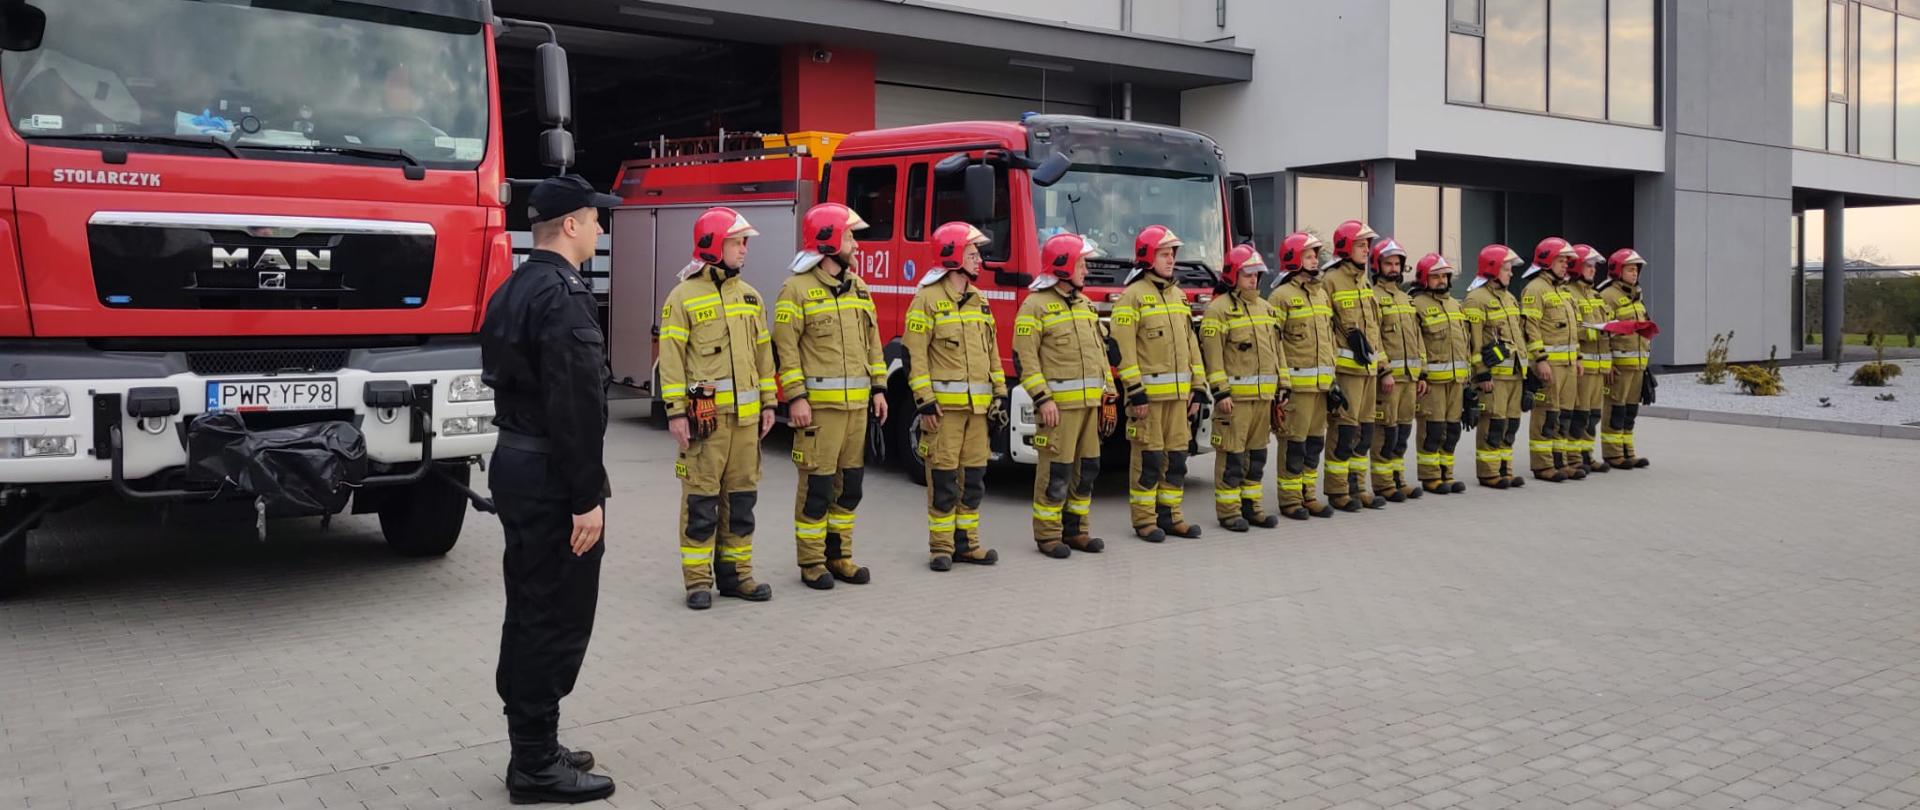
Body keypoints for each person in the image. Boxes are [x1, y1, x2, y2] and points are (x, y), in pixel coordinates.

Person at [478, 174, 620, 804]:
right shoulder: (562, 296)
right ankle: (534, 765)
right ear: (569, 225)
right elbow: (575, 405)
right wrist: (586, 497)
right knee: (555, 614)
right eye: (595, 220)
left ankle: (535, 744)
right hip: (549, 476)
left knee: (531, 604)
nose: (600, 229)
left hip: (518, 462)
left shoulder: (514, 287)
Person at [660, 206, 779, 609]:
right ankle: (697, 582)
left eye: (745, 242)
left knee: (741, 501)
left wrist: (769, 403)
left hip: (746, 422)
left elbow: (765, 355)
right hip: (703, 417)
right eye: (737, 242)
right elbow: (672, 358)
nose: (745, 249)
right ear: (713, 244)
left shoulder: (750, 296)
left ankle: (737, 576)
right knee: (701, 500)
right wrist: (677, 412)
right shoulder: (682, 297)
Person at [774, 203, 888, 590]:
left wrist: (879, 389)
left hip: (857, 409)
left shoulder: (859, 288)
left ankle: (841, 557)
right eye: (849, 236)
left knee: (850, 486)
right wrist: (796, 398)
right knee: (817, 489)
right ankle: (811, 563)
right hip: (820, 412)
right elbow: (785, 349)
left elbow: (872, 342)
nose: (855, 244)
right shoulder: (796, 289)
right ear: (827, 242)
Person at [906, 222, 1008, 570]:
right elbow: (914, 355)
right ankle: (940, 547)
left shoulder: (980, 301)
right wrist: (924, 400)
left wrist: (999, 393)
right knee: (945, 480)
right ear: (952, 256)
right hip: (944, 412)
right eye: (972, 253)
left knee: (974, 479)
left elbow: (992, 351)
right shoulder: (927, 299)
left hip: (978, 412)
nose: (979, 259)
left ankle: (968, 544)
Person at [1014, 232, 1116, 557]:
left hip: (1089, 406)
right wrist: (1042, 399)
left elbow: (1100, 353)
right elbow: (1024, 359)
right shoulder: (1035, 306)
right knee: (1056, 472)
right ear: (1063, 266)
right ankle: (1047, 536)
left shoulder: (1085, 304)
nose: (1086, 269)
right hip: (1058, 409)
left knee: (1088, 468)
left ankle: (1077, 531)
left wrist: (1109, 394)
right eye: (1081, 263)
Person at [1110, 225, 1209, 542]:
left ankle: (1171, 517)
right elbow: (1123, 351)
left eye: (1172, 254)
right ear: (1147, 257)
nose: (1171, 260)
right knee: (1148, 461)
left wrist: (1198, 386)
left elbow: (1191, 344)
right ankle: (1144, 521)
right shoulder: (1131, 298)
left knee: (1177, 460)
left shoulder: (1179, 296)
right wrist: (1135, 392)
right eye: (1164, 254)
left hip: (1179, 400)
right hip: (1147, 402)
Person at [1200, 243, 1288, 531]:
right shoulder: (1218, 310)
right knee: (1232, 457)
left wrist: (1283, 385)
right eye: (1247, 274)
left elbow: (1278, 351)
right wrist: (1221, 392)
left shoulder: (1266, 308)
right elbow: (1212, 359)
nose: (1253, 280)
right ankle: (1229, 512)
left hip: (1263, 400)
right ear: (1233, 275)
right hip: (1234, 402)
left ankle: (1253, 508)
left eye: (1256, 274)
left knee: (1257, 457)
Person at [1267, 232, 1339, 520]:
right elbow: (1275, 344)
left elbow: (1329, 339)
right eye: (1308, 255)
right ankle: (1290, 499)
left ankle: (1309, 494)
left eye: (1315, 255)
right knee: (1293, 445)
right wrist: (1282, 385)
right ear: (1294, 259)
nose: (1314, 260)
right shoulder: (1281, 297)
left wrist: (1332, 378)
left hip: (1321, 388)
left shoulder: (1321, 294)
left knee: (1313, 444)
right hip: (1297, 388)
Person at [1321, 220, 1391, 511]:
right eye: (1361, 244)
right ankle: (1338, 491)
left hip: (1368, 372)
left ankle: (1358, 486)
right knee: (1344, 432)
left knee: (1364, 432)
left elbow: (1373, 328)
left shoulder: (1365, 281)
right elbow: (1325, 330)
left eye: (1367, 245)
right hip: (1347, 373)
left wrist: (1383, 366)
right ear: (1345, 247)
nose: (1366, 250)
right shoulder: (1331, 281)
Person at [1515, 237, 1585, 482]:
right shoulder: (1535, 289)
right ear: (1547, 260)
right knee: (1546, 415)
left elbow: (1572, 329)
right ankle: (1543, 465)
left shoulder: (1563, 291)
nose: (1566, 265)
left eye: (1567, 261)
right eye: (1561, 260)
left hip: (1567, 366)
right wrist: (1540, 360)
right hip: (1550, 366)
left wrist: (1577, 357)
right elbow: (1530, 329)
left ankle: (1560, 461)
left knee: (1563, 416)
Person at [1462, 244, 1531, 489]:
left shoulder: (1510, 298)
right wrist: (1482, 374)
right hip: (1494, 378)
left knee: (1510, 424)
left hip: (1514, 374)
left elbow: (1519, 336)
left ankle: (1505, 470)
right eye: (1506, 268)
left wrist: (1527, 371)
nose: (1511, 273)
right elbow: (1474, 342)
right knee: (1493, 423)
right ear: (1492, 268)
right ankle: (1489, 472)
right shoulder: (1476, 300)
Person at [1367, 238, 1426, 502]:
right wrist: (1383, 371)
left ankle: (1398, 479)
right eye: (1388, 263)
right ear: (1377, 265)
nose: (1393, 268)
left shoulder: (1406, 298)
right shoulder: (1373, 297)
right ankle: (1383, 484)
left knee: (1402, 431)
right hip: (1389, 379)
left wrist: (1421, 373)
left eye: (1397, 263)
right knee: (1385, 431)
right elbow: (1373, 338)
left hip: (1410, 380)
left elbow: (1417, 337)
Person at [1409, 253, 1471, 495]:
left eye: (1444, 276)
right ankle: (1430, 476)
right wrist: (1421, 375)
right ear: (1424, 278)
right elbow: (1417, 343)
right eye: (1435, 276)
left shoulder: (1455, 305)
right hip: (1433, 383)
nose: (1441, 280)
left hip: (1456, 381)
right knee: (1432, 430)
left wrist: (1468, 375)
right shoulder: (1417, 304)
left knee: (1452, 430)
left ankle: (1447, 472)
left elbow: (1465, 343)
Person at [1598, 248, 1655, 469]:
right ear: (1617, 270)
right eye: (1630, 269)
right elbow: (1603, 332)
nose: (1634, 274)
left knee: (1630, 410)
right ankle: (1613, 454)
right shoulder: (1608, 295)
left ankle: (1627, 451)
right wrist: (1608, 363)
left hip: (1637, 365)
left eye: (1636, 270)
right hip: (1619, 366)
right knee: (1615, 409)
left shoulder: (1636, 296)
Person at [1569, 244, 1613, 474]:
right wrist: (1599, 330)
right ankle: (1574, 458)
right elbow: (1572, 329)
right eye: (1588, 265)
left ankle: (1587, 455)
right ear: (1577, 266)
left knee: (1593, 415)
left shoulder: (1596, 295)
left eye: (1594, 266)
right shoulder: (1570, 294)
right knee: (1580, 414)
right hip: (1582, 366)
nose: (1593, 270)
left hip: (1598, 368)